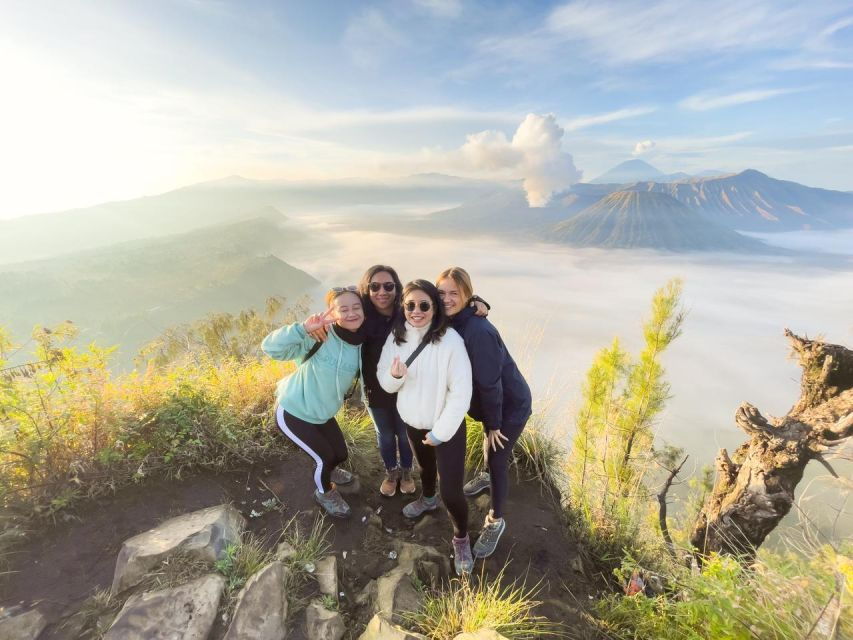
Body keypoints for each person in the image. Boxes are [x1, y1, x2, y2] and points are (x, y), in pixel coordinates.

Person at [308, 265, 489, 498]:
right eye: (374, 286)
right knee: (384, 434)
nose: (381, 291)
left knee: (405, 434)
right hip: (376, 387)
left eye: (388, 286)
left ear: (397, 289)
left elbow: (434, 301)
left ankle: (406, 472)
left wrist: (475, 301)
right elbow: (343, 312)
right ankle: (391, 472)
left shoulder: (405, 309)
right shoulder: (362, 313)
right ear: (367, 289)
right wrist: (319, 325)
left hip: (407, 387)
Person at [377, 280, 474, 574]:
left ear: (434, 306)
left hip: (446, 427)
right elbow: (384, 380)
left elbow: (461, 393)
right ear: (402, 307)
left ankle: (461, 537)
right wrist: (394, 376)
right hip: (413, 422)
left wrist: (440, 432)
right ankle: (428, 499)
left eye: (424, 305)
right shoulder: (396, 337)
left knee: (453, 492)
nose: (416, 311)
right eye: (410, 305)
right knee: (425, 469)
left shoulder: (451, 341)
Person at [436, 267, 532, 559]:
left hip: (510, 405)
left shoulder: (479, 331)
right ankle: (487, 473)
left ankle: (496, 520)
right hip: (486, 403)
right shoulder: (449, 321)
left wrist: (494, 424)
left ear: (467, 294)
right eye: (442, 293)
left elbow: (491, 384)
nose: (448, 299)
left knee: (497, 455)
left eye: (456, 293)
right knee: (491, 454)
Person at [261, 286, 365, 519]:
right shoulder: (320, 335)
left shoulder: (362, 346)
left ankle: (329, 471)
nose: (351, 314)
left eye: (356, 307)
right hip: (293, 411)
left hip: (323, 414)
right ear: (333, 313)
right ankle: (324, 492)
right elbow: (270, 348)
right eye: (343, 309)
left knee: (340, 454)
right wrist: (304, 329)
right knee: (324, 458)